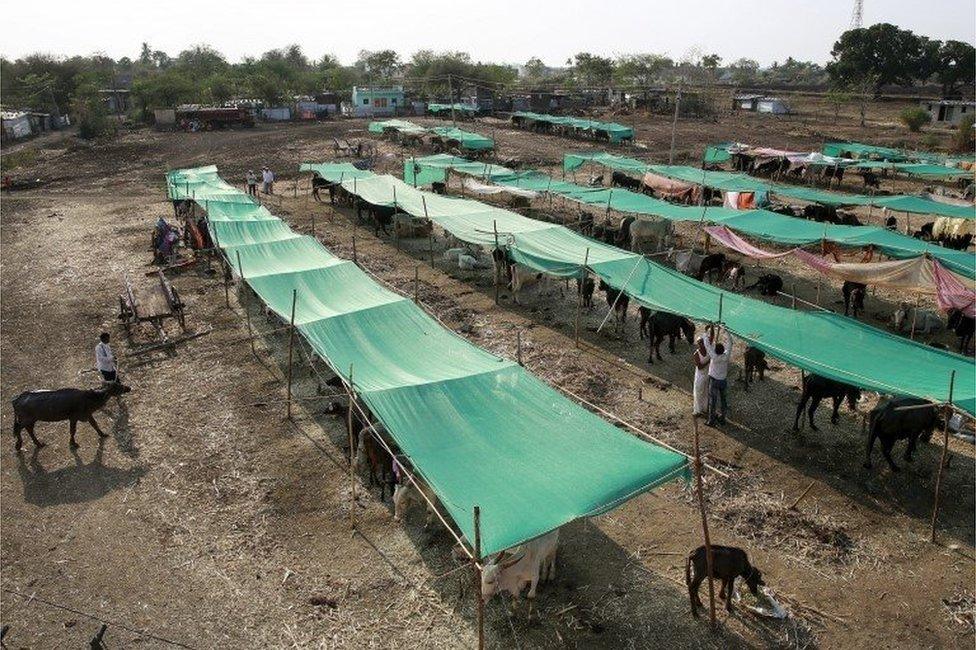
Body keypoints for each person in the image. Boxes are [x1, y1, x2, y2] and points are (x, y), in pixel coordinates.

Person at [703, 324, 732, 426]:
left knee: (713, 401)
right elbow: (730, 343)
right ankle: (723, 419)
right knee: (723, 400)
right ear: (723, 350)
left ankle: (711, 421)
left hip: (714, 380)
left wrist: (706, 331)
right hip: (723, 381)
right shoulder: (726, 356)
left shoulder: (714, 357)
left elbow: (707, 344)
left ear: (715, 351)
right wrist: (726, 331)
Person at [691, 336, 709, 417]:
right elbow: (700, 366)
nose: (700, 344)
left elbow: (700, 367)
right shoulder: (697, 353)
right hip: (703, 375)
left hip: (704, 375)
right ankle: (700, 409)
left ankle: (702, 409)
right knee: (701, 392)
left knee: (703, 392)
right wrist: (709, 360)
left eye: (701, 342)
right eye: (699, 343)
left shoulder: (707, 351)